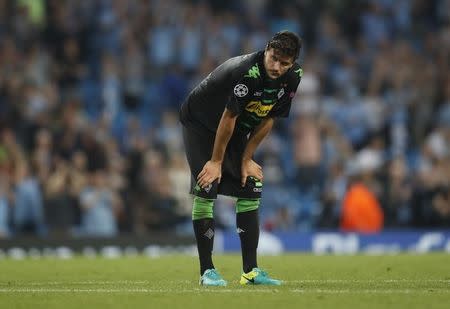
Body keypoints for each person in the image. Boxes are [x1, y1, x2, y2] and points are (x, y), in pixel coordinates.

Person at [180, 31, 303, 286]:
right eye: (273, 58)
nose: (277, 67)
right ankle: (207, 272)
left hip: (233, 125)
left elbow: (269, 116)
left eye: (284, 63)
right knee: (207, 183)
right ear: (267, 49)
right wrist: (215, 162)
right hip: (201, 123)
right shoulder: (248, 72)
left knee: (251, 184)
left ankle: (251, 272)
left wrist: (247, 158)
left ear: (293, 63)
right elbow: (228, 117)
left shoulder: (293, 77)